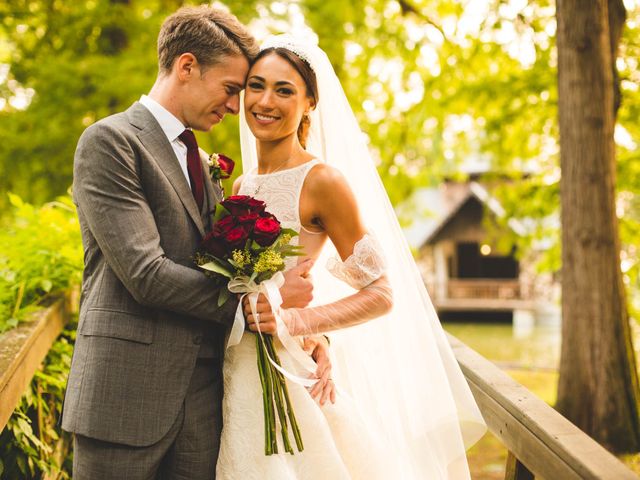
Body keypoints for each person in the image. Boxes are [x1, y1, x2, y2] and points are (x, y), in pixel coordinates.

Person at [62, 8, 329, 480]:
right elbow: (146, 274)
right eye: (231, 88)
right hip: (124, 398)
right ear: (187, 66)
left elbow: (243, 265)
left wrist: (303, 329)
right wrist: (260, 305)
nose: (235, 107)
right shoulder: (110, 142)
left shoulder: (205, 164)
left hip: (207, 405)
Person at [216, 35, 487, 479]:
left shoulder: (322, 180)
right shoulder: (243, 183)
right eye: (256, 85)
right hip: (236, 371)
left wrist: (301, 325)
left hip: (286, 377)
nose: (265, 101)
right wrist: (319, 336)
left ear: (309, 104)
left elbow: (380, 293)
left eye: (284, 90)